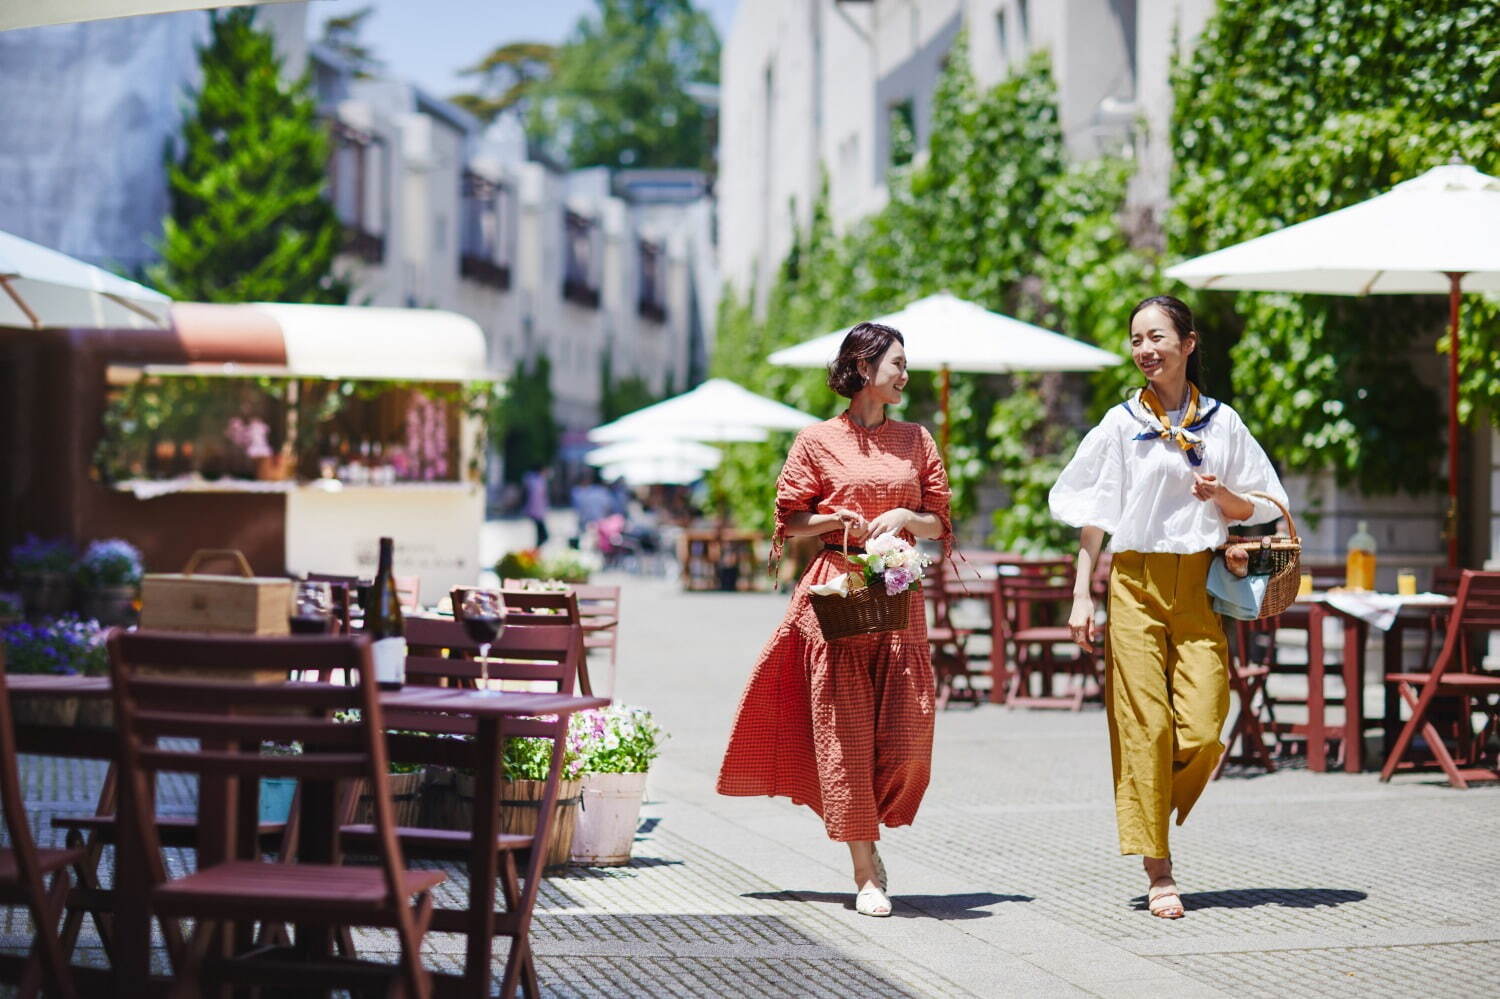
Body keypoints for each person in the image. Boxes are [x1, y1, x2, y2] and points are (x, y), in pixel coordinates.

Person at [1049, 295, 1288, 920]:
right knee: (1145, 728)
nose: (1145, 349)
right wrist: (1083, 594)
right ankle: (1160, 870)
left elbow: (1261, 505)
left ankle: (1149, 800)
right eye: (1136, 339)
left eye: (1157, 336)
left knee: (1207, 729)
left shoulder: (1222, 423)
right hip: (1133, 582)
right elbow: (1093, 515)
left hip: (1199, 583)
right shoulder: (1121, 422)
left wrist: (1223, 495)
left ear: (1188, 343)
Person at [717, 322, 952, 918]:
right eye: (897, 363)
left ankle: (874, 830)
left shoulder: (916, 439)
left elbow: (940, 523)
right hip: (835, 594)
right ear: (863, 368)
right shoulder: (816, 440)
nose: (906, 373)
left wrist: (904, 513)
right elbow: (788, 520)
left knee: (907, 735)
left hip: (900, 596)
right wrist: (830, 520)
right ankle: (864, 869)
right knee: (842, 733)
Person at [522, 467, 551, 549]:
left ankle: (537, 548)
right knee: (542, 533)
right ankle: (537, 548)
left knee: (540, 532)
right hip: (536, 510)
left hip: (538, 509)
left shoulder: (538, 480)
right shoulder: (536, 481)